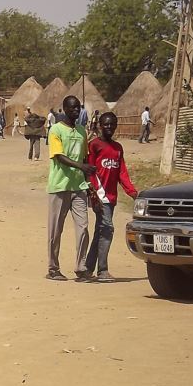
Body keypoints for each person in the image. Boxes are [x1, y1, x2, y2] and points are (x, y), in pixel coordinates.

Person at [83, 112, 138, 282]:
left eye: (112, 125)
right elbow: (90, 171)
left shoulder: (118, 148)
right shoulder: (94, 145)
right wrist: (94, 193)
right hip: (99, 195)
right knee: (107, 229)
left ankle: (87, 268)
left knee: (100, 231)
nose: (109, 127)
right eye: (106, 124)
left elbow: (122, 173)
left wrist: (133, 192)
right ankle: (103, 270)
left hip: (111, 197)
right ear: (100, 125)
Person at [46, 95, 95, 282]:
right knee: (55, 230)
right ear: (65, 109)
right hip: (59, 186)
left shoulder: (82, 131)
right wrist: (81, 167)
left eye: (78, 108)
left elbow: (85, 158)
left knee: (83, 227)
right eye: (73, 108)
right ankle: (53, 268)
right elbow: (59, 156)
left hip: (79, 187)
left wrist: (88, 181)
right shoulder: (56, 130)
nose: (76, 110)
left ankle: (81, 268)